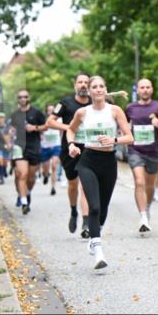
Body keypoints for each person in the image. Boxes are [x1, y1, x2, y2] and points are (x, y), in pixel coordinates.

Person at [65, 75, 134, 270]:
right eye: (93, 86)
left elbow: (129, 137)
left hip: (108, 162)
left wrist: (113, 141)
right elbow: (70, 130)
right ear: (89, 91)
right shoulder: (82, 112)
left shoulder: (115, 110)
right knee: (93, 207)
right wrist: (71, 144)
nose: (97, 89)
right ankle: (98, 250)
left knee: (102, 210)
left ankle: (95, 234)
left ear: (105, 90)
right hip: (87, 161)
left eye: (100, 86)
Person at [125, 78, 158, 233]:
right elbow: (123, 125)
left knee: (150, 185)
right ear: (138, 90)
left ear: (151, 89)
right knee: (139, 182)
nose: (145, 90)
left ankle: (147, 206)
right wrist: (124, 132)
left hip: (153, 151)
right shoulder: (130, 108)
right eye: (142, 87)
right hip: (135, 150)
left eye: (148, 87)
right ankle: (143, 217)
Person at [48, 74, 92, 237]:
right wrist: (69, 128)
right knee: (73, 184)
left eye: (86, 82)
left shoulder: (95, 103)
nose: (83, 85)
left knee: (86, 185)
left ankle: (86, 223)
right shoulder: (65, 103)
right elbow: (50, 122)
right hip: (70, 149)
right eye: (80, 82)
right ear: (75, 85)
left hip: (89, 149)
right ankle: (74, 210)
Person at [9, 89, 47, 215]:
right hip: (19, 147)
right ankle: (24, 202)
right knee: (22, 174)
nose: (22, 99)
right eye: (20, 97)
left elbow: (47, 126)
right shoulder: (14, 115)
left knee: (31, 178)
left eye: (25, 97)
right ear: (17, 99)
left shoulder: (36, 113)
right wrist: (11, 135)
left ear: (28, 98)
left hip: (34, 147)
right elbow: (12, 129)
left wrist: (34, 128)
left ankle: (27, 192)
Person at [40, 104, 61, 194]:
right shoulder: (43, 121)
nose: (51, 112)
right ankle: (45, 175)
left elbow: (61, 131)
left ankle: (53, 188)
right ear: (46, 112)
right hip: (45, 147)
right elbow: (39, 131)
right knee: (45, 168)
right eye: (49, 110)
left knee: (54, 166)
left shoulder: (59, 120)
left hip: (56, 146)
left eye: (53, 110)